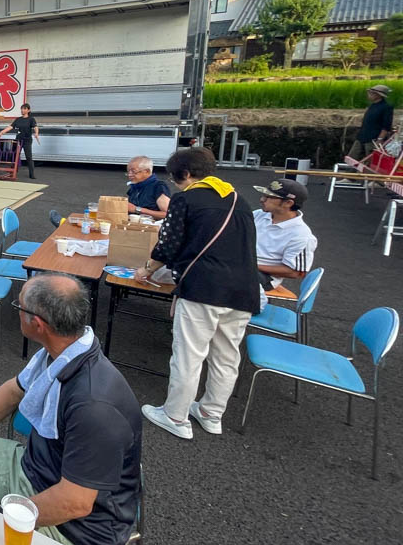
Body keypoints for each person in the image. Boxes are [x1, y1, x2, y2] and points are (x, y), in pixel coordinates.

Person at [0, 274, 142, 545]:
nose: (17, 310)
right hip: (36, 469)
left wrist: (1, 513)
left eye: (20, 306)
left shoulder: (94, 405)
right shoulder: (61, 352)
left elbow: (75, 502)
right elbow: (14, 390)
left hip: (80, 530)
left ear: (37, 324)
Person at [135, 147, 259, 440]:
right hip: (243, 289)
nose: (176, 183)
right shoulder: (238, 200)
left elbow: (168, 244)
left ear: (186, 174)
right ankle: (211, 413)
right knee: (226, 357)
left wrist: (147, 269)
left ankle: (175, 416)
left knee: (189, 355)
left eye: (176, 178)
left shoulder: (186, 199)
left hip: (204, 287)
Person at [252, 179, 317, 308]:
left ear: (288, 203)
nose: (262, 199)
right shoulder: (257, 215)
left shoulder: (302, 235)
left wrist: (252, 264)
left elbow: (295, 272)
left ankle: (254, 305)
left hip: (265, 276)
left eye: (269, 197)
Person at [348, 84, 394, 160]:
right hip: (362, 136)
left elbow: (386, 126)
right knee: (351, 158)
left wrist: (379, 140)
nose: (369, 95)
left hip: (373, 139)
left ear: (378, 95)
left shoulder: (386, 107)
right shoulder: (372, 106)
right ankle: (349, 171)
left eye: (372, 93)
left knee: (370, 160)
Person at [0, 103, 39, 179]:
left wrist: (36, 133)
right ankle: (13, 172)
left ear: (28, 110)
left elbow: (35, 127)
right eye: (22, 109)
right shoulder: (18, 119)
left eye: (24, 109)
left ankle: (32, 174)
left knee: (29, 157)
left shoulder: (31, 119)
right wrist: (2, 132)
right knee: (15, 156)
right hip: (18, 140)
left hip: (27, 140)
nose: (22, 110)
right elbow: (10, 127)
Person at [123, 156, 171, 220]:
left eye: (133, 172)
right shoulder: (135, 186)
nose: (129, 175)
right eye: (128, 171)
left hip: (152, 227)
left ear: (147, 171)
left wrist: (137, 209)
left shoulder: (158, 186)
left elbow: (167, 214)